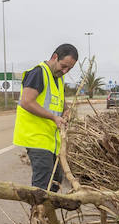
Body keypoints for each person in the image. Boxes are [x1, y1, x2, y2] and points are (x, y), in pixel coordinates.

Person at [13, 44, 78, 192]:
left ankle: (47, 214)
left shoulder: (59, 78)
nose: (65, 71)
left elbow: (59, 102)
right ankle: (38, 214)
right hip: (36, 138)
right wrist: (54, 118)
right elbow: (26, 101)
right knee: (42, 185)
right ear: (55, 57)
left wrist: (66, 111)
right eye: (64, 66)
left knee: (55, 181)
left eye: (69, 69)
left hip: (50, 140)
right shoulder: (38, 73)